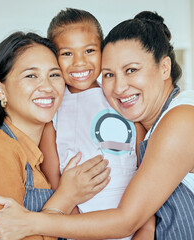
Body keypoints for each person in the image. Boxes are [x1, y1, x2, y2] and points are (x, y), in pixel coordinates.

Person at [0, 11, 194, 240]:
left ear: (164, 68)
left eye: (131, 70)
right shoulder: (147, 124)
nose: (120, 86)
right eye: (109, 74)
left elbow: (129, 220)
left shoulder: (183, 121)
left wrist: (29, 223)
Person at [0, 31, 111, 240]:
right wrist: (66, 197)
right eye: (31, 75)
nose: (47, 86)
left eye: (54, 75)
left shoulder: (43, 155)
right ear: (0, 90)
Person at [38, 8, 153, 239]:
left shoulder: (123, 99)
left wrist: (147, 229)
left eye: (89, 50)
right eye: (67, 53)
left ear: (103, 51)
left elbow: (146, 172)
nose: (80, 62)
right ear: (53, 57)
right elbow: (54, 186)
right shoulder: (51, 118)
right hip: (80, 230)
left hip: (134, 226)